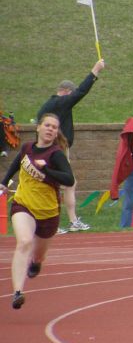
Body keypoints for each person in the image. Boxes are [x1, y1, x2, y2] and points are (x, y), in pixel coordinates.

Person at [1, 113, 74, 309]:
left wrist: (47, 170)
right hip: (23, 204)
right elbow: (17, 163)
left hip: (48, 212)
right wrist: (4, 182)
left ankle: (37, 261)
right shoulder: (27, 148)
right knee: (24, 241)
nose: (51, 129)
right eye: (47, 125)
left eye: (54, 127)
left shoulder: (55, 154)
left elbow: (69, 179)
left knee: (39, 254)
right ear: (38, 128)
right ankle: (17, 292)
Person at [37, 58, 105, 233]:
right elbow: (81, 91)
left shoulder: (52, 105)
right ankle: (52, 223)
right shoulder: (60, 102)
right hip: (55, 150)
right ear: (66, 92)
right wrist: (95, 70)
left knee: (70, 183)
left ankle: (72, 221)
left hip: (56, 149)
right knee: (58, 184)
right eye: (71, 95)